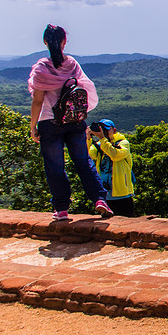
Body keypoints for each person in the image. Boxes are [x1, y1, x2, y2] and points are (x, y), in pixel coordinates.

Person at [28, 24, 113, 221]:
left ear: (45, 42)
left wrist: (33, 126)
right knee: (83, 161)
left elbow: (38, 100)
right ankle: (99, 200)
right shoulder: (72, 64)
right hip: (75, 120)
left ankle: (62, 209)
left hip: (50, 122)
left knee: (55, 166)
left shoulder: (42, 68)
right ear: (65, 41)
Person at [87, 118, 135, 217]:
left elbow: (115, 155)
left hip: (122, 195)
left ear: (114, 130)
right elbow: (87, 155)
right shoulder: (99, 145)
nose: (104, 132)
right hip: (106, 195)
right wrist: (88, 139)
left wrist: (102, 140)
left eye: (106, 130)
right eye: (101, 130)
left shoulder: (123, 143)